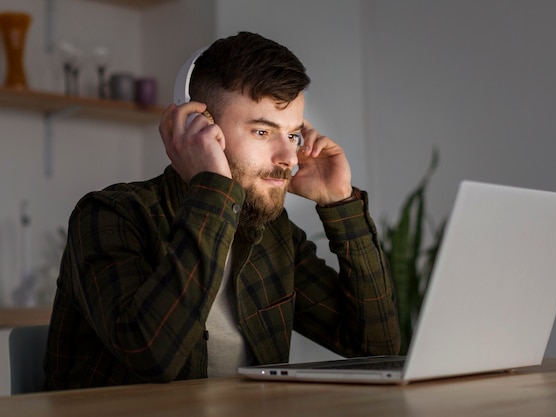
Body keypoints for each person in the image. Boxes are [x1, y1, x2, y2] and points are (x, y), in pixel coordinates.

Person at [44, 31, 400, 390]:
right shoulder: (110, 216)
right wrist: (212, 188)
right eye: (263, 132)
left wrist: (341, 203)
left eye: (293, 135)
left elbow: (375, 347)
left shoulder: (273, 232)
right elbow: (151, 357)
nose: (289, 158)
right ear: (198, 127)